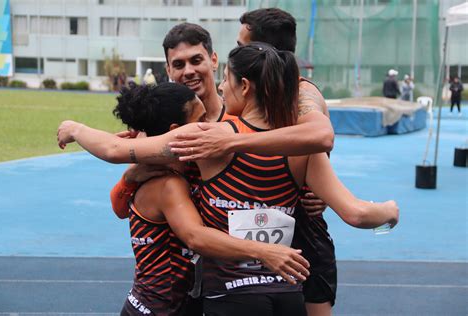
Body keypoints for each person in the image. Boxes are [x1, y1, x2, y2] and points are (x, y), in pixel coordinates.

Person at [57, 42, 399, 315]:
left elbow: (114, 150)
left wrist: (75, 128)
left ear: (245, 87)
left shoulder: (210, 138)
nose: (221, 88)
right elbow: (356, 214)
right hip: (287, 293)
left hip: (232, 296)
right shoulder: (302, 146)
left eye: (226, 81)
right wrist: (390, 209)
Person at [167, 9, 336, 315]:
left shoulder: (295, 95)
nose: (188, 71)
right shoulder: (171, 113)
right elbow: (126, 160)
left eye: (196, 60)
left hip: (286, 252)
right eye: (178, 65)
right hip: (207, 260)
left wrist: (233, 141)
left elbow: (322, 137)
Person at [93, 81, 311, 315]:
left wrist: (308, 193)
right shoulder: (166, 182)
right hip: (157, 309)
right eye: (201, 121)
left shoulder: (195, 167)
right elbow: (194, 236)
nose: (209, 127)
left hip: (183, 305)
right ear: (177, 130)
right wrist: (264, 251)